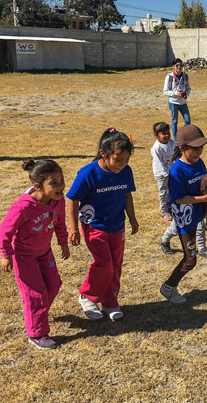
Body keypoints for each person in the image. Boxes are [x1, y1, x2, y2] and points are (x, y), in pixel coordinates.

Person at [66, 128, 139, 321]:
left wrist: (132, 218)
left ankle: (109, 301)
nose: (122, 165)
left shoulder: (125, 172)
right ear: (103, 154)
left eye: (126, 160)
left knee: (115, 265)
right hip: (94, 226)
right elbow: (73, 199)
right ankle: (87, 296)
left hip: (117, 225)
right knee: (104, 264)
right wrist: (73, 229)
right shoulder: (88, 173)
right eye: (117, 160)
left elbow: (127, 194)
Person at [0, 159, 69, 350]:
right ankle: (37, 333)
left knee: (54, 285)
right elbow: (6, 230)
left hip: (44, 252)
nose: (60, 186)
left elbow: (60, 223)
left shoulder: (58, 201)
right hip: (24, 256)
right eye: (53, 183)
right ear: (37, 186)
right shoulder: (23, 206)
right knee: (35, 295)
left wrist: (63, 243)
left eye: (61, 180)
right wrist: (6, 254)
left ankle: (38, 314)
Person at [160, 125, 207, 305]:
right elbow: (180, 199)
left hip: (198, 210)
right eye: (195, 148)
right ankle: (168, 287)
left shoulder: (199, 162)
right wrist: (206, 197)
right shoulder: (176, 171)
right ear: (183, 148)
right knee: (190, 260)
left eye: (201, 147)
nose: (199, 151)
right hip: (185, 218)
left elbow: (203, 182)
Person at [151, 122, 176, 221]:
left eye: (167, 133)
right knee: (163, 192)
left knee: (172, 191)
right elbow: (159, 163)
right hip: (161, 174)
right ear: (156, 136)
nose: (166, 135)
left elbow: (176, 154)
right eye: (163, 133)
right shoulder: (157, 148)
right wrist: (166, 174)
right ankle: (163, 212)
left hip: (171, 171)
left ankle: (171, 209)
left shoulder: (172, 143)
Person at [163, 58, 191, 139]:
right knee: (174, 121)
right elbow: (165, 91)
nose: (179, 67)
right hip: (173, 102)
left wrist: (186, 93)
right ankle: (175, 138)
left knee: (187, 120)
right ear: (174, 66)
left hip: (183, 103)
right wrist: (176, 93)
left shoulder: (185, 76)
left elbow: (188, 88)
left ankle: (186, 136)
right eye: (177, 65)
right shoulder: (170, 77)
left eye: (181, 65)